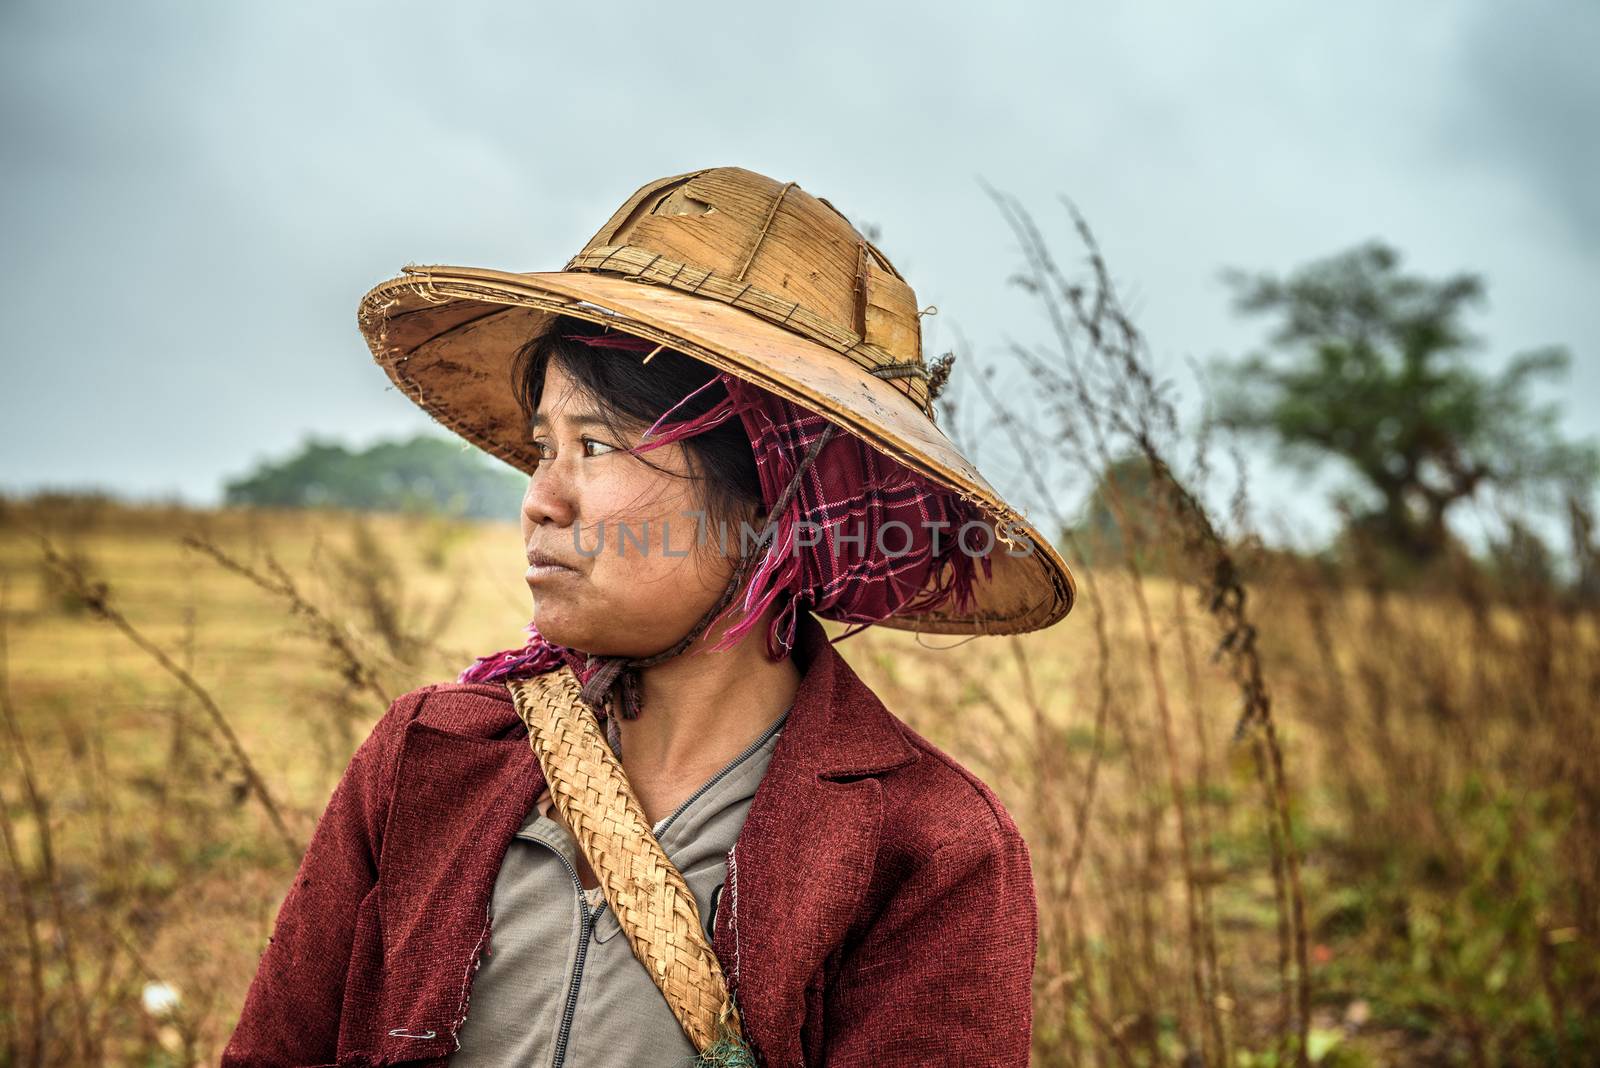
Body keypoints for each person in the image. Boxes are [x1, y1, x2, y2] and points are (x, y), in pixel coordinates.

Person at [222, 166, 1077, 1067]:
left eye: (594, 447)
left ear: (767, 507)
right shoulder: (426, 760)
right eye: (543, 447)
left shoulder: (927, 852)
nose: (539, 501)